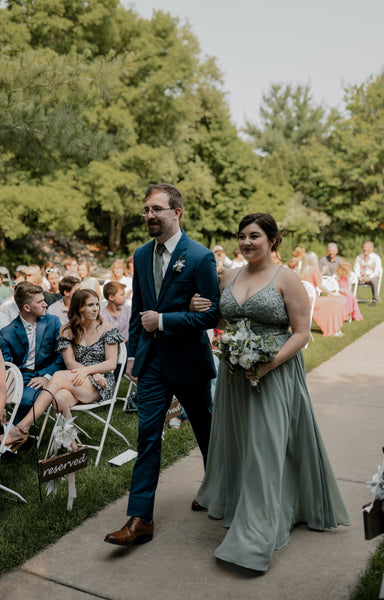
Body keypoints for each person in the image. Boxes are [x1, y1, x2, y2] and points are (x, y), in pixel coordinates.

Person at [192, 212, 351, 572]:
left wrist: (268, 363)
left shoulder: (288, 278)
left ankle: (258, 530)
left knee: (267, 445)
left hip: (275, 372)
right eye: (242, 236)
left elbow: (301, 332)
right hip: (235, 373)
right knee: (240, 442)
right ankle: (241, 504)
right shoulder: (229, 275)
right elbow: (222, 319)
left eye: (254, 236)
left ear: (272, 240)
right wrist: (199, 309)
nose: (246, 242)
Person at [104, 182, 220, 547]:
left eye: (157, 209)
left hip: (189, 362)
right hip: (152, 364)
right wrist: (134, 355)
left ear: (177, 212)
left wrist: (166, 320)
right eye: (146, 210)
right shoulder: (140, 255)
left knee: (207, 434)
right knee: (147, 437)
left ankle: (219, 491)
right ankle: (140, 519)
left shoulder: (200, 257)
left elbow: (213, 314)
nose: (150, 216)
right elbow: (140, 309)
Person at [0, 289, 124, 450]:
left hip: (102, 383)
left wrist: (90, 372)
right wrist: (91, 372)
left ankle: (21, 428)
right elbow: (70, 362)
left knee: (58, 376)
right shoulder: (67, 330)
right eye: (90, 305)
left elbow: (111, 363)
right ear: (78, 308)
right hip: (78, 379)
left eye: (97, 304)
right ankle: (72, 448)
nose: (95, 309)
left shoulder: (107, 328)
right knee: (59, 398)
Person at [0, 282, 65, 422]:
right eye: (40, 302)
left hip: (47, 374)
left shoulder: (53, 322)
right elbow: (6, 366)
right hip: (19, 377)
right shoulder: (7, 333)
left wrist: (46, 377)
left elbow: (61, 356)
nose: (45, 305)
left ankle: (13, 435)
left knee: (25, 399)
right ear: (27, 307)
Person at [300, 252, 347, 337]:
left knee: (335, 302)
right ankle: (333, 329)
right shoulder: (314, 270)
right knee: (337, 301)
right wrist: (332, 293)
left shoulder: (302, 271)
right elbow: (320, 286)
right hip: (312, 300)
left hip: (303, 300)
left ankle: (334, 328)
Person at [353, 241, 382, 306]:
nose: (365, 249)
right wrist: (359, 276)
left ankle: (375, 300)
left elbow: (377, 271)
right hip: (361, 278)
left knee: (374, 281)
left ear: (372, 248)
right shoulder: (359, 258)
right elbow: (356, 268)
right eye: (364, 247)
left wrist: (369, 277)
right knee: (350, 280)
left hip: (371, 278)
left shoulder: (376, 258)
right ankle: (350, 299)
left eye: (367, 247)